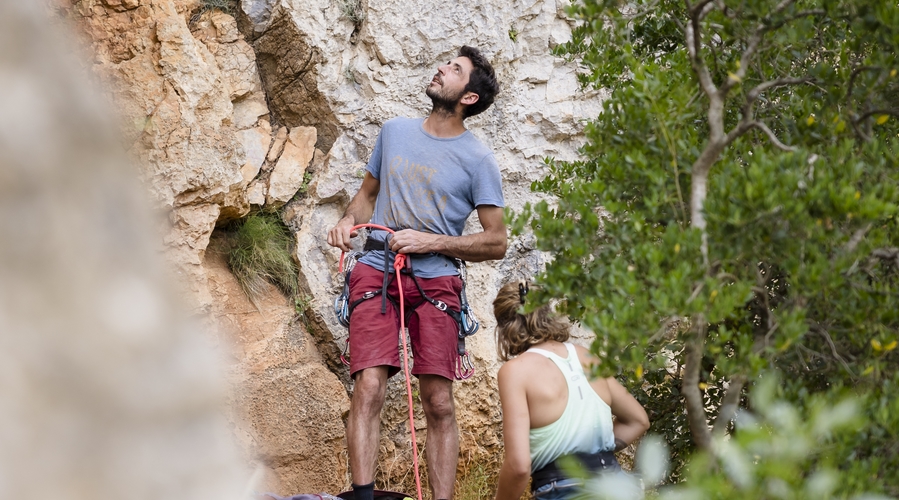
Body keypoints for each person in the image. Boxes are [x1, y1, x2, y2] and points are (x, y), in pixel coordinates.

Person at [326, 46, 505, 500]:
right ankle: (363, 497)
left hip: (437, 279)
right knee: (368, 386)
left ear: (468, 97)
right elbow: (366, 197)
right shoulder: (394, 132)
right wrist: (348, 220)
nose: (442, 68)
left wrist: (432, 241)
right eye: (447, 63)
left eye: (455, 69)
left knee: (438, 401)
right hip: (377, 268)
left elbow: (496, 241)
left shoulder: (478, 160)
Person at [493, 282, 650, 500]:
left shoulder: (515, 372)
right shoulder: (587, 357)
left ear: (504, 326)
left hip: (564, 489)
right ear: (547, 313)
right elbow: (638, 420)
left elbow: (519, 466)